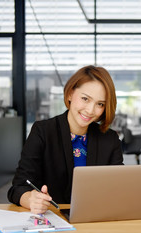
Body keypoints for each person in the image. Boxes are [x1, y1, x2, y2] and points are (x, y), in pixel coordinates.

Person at [7, 65, 124, 214]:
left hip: (96, 220)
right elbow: (18, 187)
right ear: (70, 94)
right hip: (53, 220)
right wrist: (31, 199)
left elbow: (118, 188)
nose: (90, 110)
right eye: (85, 99)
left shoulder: (110, 139)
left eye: (100, 104)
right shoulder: (42, 131)